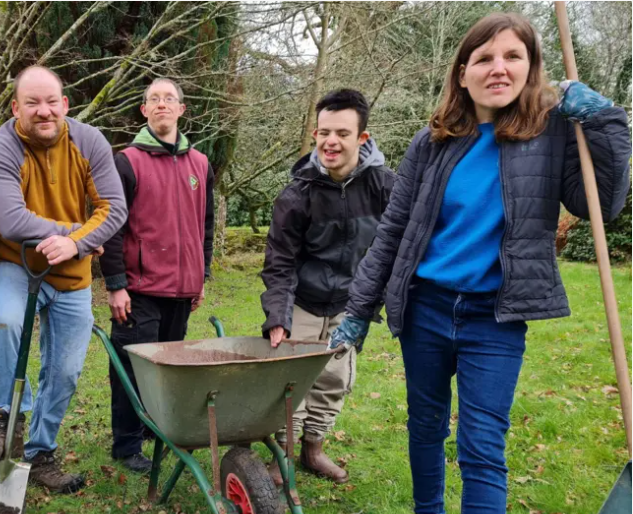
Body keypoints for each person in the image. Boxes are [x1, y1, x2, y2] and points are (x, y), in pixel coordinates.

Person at [330, 13, 630, 513]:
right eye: (484, 58)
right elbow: (394, 231)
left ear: (531, 67)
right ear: (462, 72)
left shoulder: (553, 135)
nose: (498, 68)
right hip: (425, 309)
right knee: (425, 427)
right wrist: (359, 309)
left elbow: (600, 204)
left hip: (495, 316)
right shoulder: (433, 142)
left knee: (482, 446)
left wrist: (606, 124)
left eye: (513, 56)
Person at [0, 65, 126, 493]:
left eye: (51, 101)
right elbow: (13, 221)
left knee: (66, 371)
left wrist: (74, 246)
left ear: (65, 104)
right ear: (16, 107)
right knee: (5, 322)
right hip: (15, 263)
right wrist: (77, 235)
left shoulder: (89, 141)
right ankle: (4, 422)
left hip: (73, 277)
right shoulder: (0, 148)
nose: (43, 111)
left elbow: (113, 208)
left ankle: (40, 453)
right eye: (32, 103)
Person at [260, 89, 394, 484]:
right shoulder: (297, 194)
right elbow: (280, 262)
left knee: (334, 380)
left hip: (352, 302)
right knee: (288, 380)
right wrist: (278, 316)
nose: (330, 142)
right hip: (302, 300)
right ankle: (281, 456)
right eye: (323, 133)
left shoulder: (386, 188)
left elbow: (397, 249)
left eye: (342, 133)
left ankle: (313, 450)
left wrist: (372, 305)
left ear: (362, 139)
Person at [100, 78, 215, 473]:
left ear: (182, 110)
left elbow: (207, 224)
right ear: (144, 111)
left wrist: (202, 275)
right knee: (132, 369)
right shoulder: (127, 161)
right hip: (139, 289)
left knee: (166, 369)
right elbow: (111, 227)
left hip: (181, 290)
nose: (162, 104)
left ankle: (153, 428)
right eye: (154, 99)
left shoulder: (200, 164)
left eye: (169, 99)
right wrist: (116, 285)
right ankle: (126, 444)